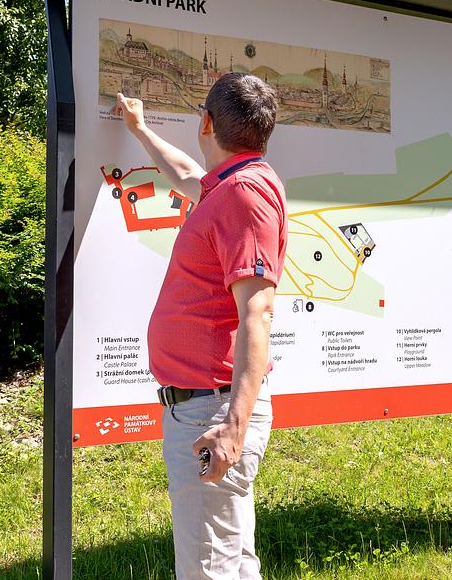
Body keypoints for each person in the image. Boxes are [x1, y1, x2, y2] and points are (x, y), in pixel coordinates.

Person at [115, 73, 288, 580]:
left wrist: (233, 426)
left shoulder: (244, 195)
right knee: (232, 562)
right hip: (204, 405)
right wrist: (140, 129)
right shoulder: (229, 186)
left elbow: (258, 311)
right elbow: (187, 173)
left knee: (206, 569)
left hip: (210, 411)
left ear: (207, 122)